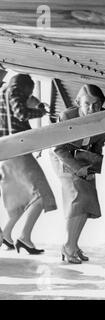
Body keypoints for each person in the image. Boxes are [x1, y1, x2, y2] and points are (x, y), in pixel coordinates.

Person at [0, 73, 57, 254]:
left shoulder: (3, 93)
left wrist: (35, 103)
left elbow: (24, 105)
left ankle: (7, 235)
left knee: (22, 199)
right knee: (42, 195)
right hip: (18, 150)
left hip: (7, 152)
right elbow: (21, 113)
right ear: (24, 88)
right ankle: (24, 237)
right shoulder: (15, 92)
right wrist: (40, 112)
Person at [50, 84, 105, 264]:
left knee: (87, 201)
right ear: (78, 103)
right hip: (63, 159)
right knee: (79, 199)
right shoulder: (67, 116)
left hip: (84, 160)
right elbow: (58, 148)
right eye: (87, 104)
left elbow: (98, 147)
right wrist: (78, 168)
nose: (92, 108)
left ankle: (73, 244)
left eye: (96, 104)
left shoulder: (103, 118)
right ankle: (68, 246)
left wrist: (92, 169)